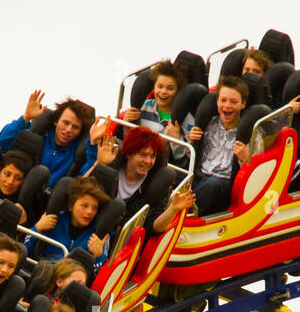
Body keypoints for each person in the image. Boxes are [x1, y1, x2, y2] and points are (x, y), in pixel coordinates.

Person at [93, 128, 195, 238]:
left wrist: (173, 209)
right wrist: (99, 164)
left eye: (152, 156)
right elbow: (83, 191)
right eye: (142, 154)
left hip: (121, 239)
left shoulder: (156, 182)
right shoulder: (111, 164)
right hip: (93, 223)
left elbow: (154, 227)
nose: (148, 161)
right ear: (128, 154)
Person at [0, 92, 106, 187]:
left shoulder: (78, 154)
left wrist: (93, 144)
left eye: (75, 127)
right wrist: (25, 119)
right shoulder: (37, 135)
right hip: (15, 189)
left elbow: (86, 180)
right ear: (56, 121)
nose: (68, 130)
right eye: (65, 123)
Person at [188, 77, 250, 215]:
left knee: (213, 184)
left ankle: (185, 215)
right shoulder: (208, 124)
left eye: (234, 102)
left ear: (243, 104)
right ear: (217, 101)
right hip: (200, 178)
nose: (227, 106)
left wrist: (245, 159)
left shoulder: (249, 133)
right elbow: (188, 158)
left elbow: (257, 175)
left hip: (224, 187)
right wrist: (191, 141)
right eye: (223, 101)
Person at [26, 176, 112, 274]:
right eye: (85, 206)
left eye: (94, 208)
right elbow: (25, 249)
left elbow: (99, 277)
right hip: (41, 271)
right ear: (71, 206)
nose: (90, 212)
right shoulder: (55, 219)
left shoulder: (99, 235)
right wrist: (36, 229)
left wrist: (99, 255)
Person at [121, 61, 196, 165]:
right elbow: (128, 142)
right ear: (154, 87)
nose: (163, 92)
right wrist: (127, 125)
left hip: (166, 166)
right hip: (141, 160)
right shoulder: (144, 107)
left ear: (178, 91)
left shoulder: (186, 119)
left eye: (170, 88)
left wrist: (176, 139)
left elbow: (183, 160)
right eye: (160, 87)